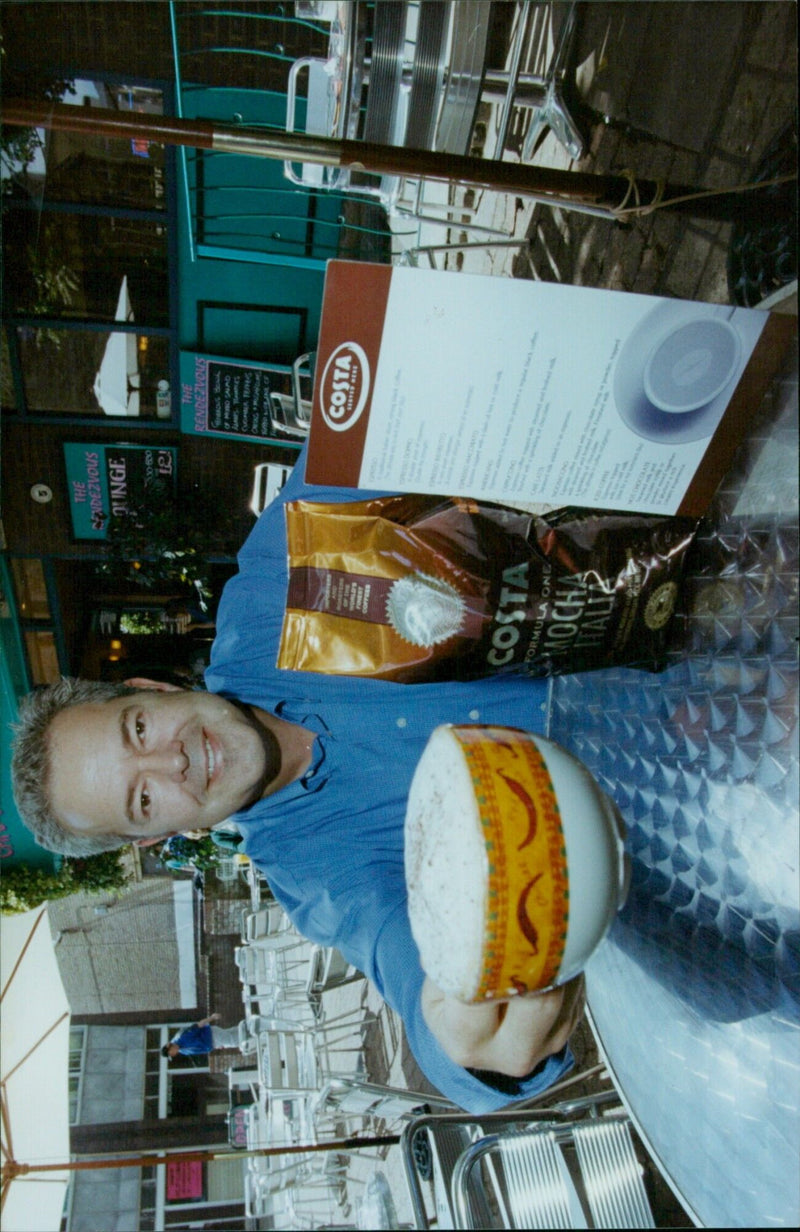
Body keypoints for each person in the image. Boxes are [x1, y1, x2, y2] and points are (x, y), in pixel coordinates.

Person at [11, 442, 584, 1113]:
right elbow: (407, 976)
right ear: (155, 838)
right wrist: (467, 1048)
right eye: (142, 799)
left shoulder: (270, 588)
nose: (172, 761)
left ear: (147, 687)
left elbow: (375, 422)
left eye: (138, 728)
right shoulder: (317, 874)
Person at [162, 1013, 240, 1060]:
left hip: (213, 1035)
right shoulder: (183, 1051)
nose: (173, 1055)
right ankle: (249, 1025)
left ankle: (251, 1035)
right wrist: (214, 1047)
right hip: (214, 1043)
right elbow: (200, 1048)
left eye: (170, 1053)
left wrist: (212, 1017)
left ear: (170, 1046)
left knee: (234, 1041)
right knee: (234, 1033)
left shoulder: (182, 1037)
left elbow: (198, 1025)